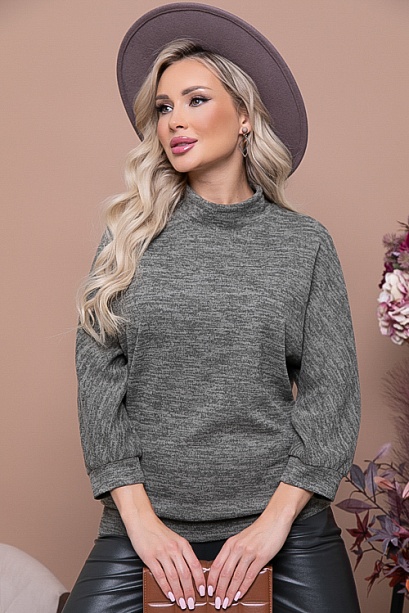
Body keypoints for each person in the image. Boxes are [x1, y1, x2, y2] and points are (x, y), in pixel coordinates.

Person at [63, 4, 361, 612]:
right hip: (147, 527)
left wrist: (272, 527)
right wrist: (142, 525)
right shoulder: (128, 239)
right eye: (163, 107)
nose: (174, 120)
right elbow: (99, 388)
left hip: (283, 528)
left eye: (195, 100)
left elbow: (331, 397)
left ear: (245, 116)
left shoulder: (303, 244)